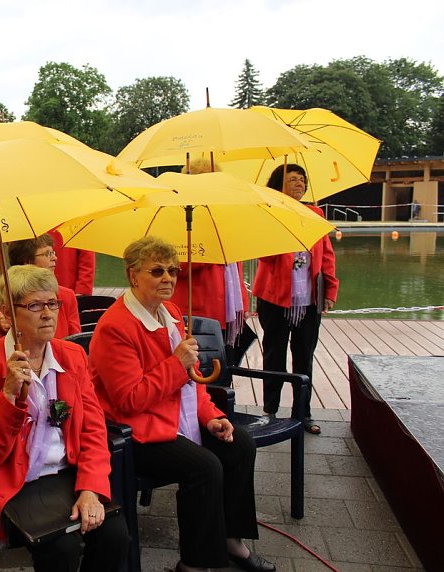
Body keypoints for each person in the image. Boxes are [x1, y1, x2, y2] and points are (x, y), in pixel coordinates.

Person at [89, 236, 274, 572]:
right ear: (133, 275)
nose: (168, 278)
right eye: (157, 271)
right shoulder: (116, 327)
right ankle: (193, 564)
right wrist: (176, 364)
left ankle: (231, 541)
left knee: (240, 445)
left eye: (172, 271)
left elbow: (192, 384)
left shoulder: (171, 313)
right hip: (137, 433)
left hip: (175, 419)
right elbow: (129, 399)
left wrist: (211, 417)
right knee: (204, 466)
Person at [0, 265, 129, 572]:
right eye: (35, 306)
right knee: (62, 546)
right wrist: (8, 396)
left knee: (115, 535)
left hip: (67, 471)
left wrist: (90, 488)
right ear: (8, 315)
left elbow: (93, 429)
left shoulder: (72, 356)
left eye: (52, 303)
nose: (48, 314)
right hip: (16, 480)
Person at [255, 164, 339, 435]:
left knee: (304, 358)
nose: (299, 184)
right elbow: (264, 255)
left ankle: (302, 412)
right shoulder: (268, 213)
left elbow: (327, 255)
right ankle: (269, 411)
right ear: (279, 184)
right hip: (274, 299)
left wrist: (330, 290)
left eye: (302, 180)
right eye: (292, 179)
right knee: (274, 356)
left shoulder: (315, 214)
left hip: (308, 300)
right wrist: (282, 226)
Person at [169, 159, 252, 366]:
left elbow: (236, 267)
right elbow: (176, 267)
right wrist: (211, 252)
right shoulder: (181, 217)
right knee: (201, 369)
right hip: (197, 312)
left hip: (229, 312)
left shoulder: (224, 217)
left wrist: (244, 304)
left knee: (226, 367)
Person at [0, 234, 81, 345]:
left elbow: (76, 341)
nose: (54, 258)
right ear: (27, 261)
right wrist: (2, 330)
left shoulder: (67, 296)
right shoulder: (3, 297)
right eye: (47, 254)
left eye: (52, 304)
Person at [49, 229, 95, 296]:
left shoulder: (77, 224)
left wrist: (82, 291)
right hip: (38, 287)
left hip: (69, 289)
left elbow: (87, 259)